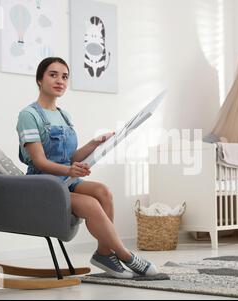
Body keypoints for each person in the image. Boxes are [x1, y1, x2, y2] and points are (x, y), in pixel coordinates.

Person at [16, 57, 158, 279]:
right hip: (43, 184)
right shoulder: (29, 115)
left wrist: (95, 144)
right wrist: (70, 171)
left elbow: (68, 157)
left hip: (65, 180)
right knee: (91, 204)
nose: (60, 81)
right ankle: (125, 255)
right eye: (53, 75)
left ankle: (104, 253)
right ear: (39, 80)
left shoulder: (64, 115)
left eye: (64, 77)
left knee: (103, 191)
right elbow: (40, 162)